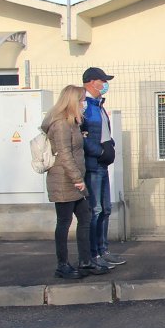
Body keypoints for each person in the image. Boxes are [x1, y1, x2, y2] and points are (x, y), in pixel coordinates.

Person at [42, 85, 108, 280]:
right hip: (64, 180)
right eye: (80, 101)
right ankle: (62, 265)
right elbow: (64, 155)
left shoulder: (72, 122)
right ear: (71, 102)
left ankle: (85, 261)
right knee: (64, 222)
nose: (83, 104)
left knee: (85, 218)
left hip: (74, 179)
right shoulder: (60, 124)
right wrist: (78, 180)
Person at [81, 67, 123, 271]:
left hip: (102, 163)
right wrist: (98, 152)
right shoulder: (84, 105)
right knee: (96, 210)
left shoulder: (98, 105)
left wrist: (110, 146)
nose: (105, 84)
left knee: (106, 209)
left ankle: (103, 250)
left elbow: (104, 132)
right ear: (90, 82)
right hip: (93, 165)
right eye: (102, 81)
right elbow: (82, 136)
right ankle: (94, 254)